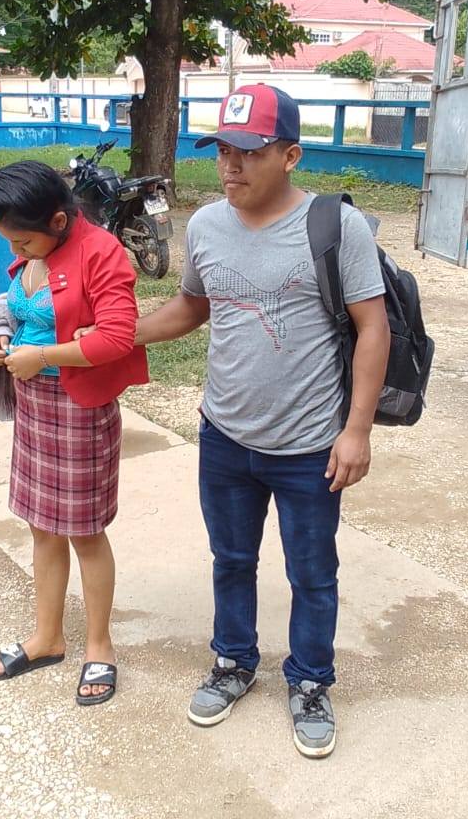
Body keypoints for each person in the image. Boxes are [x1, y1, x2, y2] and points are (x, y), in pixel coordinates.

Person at [125, 84, 390, 756]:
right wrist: (120, 334)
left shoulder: (336, 228)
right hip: (224, 436)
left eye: (248, 151)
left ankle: (310, 681)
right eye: (222, 150)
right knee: (231, 559)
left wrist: (357, 430)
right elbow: (192, 307)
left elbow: (373, 327)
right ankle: (234, 661)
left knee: (312, 574)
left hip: (309, 445)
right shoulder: (206, 225)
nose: (230, 166)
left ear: (290, 155)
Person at [0, 160, 148, 706]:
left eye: (23, 240)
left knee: (85, 533)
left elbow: (117, 337)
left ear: (60, 221)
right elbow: (24, 313)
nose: (16, 250)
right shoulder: (35, 250)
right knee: (42, 527)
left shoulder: (101, 253)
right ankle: (47, 637)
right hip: (35, 408)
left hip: (79, 410)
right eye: (10, 242)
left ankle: (99, 646)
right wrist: (3, 337)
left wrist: (41, 356)